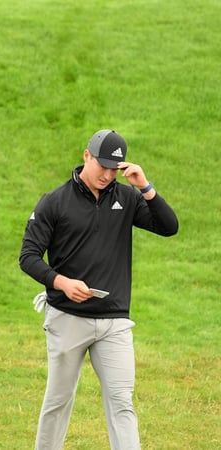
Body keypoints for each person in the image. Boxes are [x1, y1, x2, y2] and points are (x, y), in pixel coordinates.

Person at [19, 129, 179, 450]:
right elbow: (28, 257)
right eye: (102, 165)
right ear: (86, 156)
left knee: (122, 402)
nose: (107, 175)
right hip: (67, 317)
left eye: (114, 169)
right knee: (59, 401)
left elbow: (168, 226)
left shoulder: (127, 198)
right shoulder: (55, 201)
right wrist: (61, 283)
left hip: (114, 321)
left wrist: (145, 187)